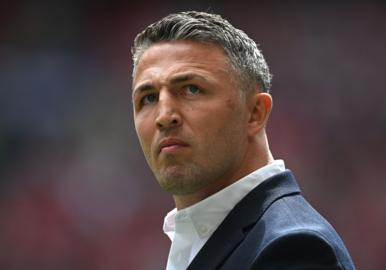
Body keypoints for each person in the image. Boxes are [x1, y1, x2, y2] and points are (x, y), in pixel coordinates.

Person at [131, 11, 355, 270]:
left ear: (255, 113)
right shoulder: (202, 239)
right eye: (148, 98)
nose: (164, 116)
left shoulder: (294, 249)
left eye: (192, 89)